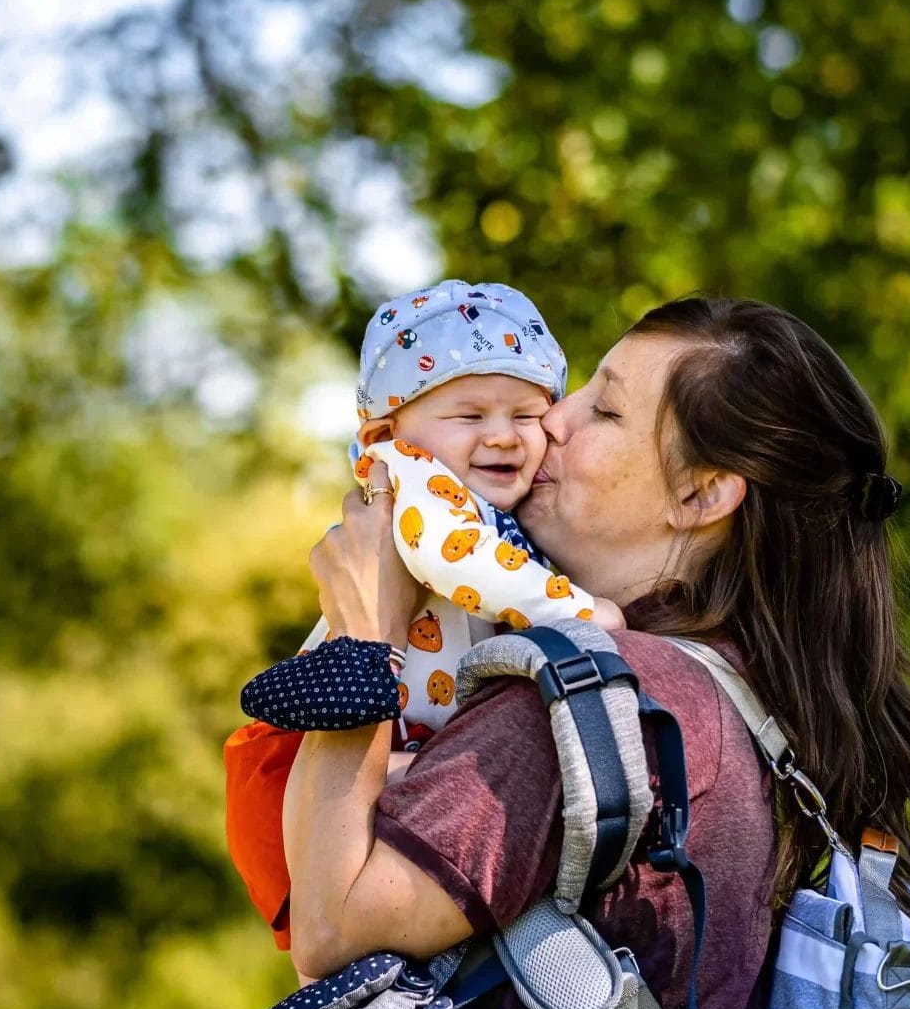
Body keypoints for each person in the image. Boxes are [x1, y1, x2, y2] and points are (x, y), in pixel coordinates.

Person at [287, 296, 910, 1009]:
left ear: (703, 495)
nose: (546, 425)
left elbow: (332, 929)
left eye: (600, 410)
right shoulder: (790, 716)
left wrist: (358, 644)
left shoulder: (589, 704)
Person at [225, 277, 617, 947]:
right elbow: (454, 557)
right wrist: (580, 611)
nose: (502, 436)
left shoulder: (488, 503)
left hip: (394, 739)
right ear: (388, 428)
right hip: (315, 751)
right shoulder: (413, 477)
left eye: (525, 416)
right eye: (469, 416)